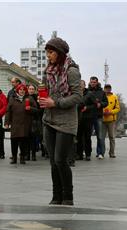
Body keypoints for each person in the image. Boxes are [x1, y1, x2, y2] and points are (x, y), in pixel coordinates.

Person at [39, 37, 82, 206]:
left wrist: (55, 102)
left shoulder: (71, 71)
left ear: (60, 53)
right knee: (52, 161)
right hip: (49, 119)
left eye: (51, 52)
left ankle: (68, 197)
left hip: (66, 122)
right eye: (47, 53)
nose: (48, 56)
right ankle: (56, 196)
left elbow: (78, 96)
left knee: (60, 160)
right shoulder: (48, 71)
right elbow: (46, 90)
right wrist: (41, 97)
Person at [5, 83, 37, 164]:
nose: (22, 91)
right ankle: (14, 158)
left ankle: (22, 157)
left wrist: (30, 108)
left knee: (23, 142)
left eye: (23, 90)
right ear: (17, 90)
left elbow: (36, 109)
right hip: (15, 124)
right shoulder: (12, 98)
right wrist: (6, 122)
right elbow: (8, 111)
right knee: (14, 141)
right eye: (20, 89)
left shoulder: (29, 98)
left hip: (25, 124)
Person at [88, 77, 108, 159]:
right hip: (88, 116)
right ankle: (87, 152)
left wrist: (101, 104)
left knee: (99, 136)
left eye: (94, 82)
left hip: (98, 116)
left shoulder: (102, 92)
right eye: (91, 82)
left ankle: (100, 153)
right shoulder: (87, 91)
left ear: (97, 82)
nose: (92, 83)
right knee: (87, 136)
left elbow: (106, 102)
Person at [101, 84, 120, 158]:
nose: (107, 89)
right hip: (102, 120)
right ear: (104, 89)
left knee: (111, 137)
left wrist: (111, 112)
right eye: (106, 88)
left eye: (109, 88)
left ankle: (112, 153)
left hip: (111, 120)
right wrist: (103, 112)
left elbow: (118, 108)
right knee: (101, 137)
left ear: (111, 89)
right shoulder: (101, 96)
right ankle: (101, 153)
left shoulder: (114, 97)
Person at [28, 84, 42, 161]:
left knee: (33, 138)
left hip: (35, 120)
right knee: (26, 138)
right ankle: (27, 154)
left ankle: (33, 155)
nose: (31, 90)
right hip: (26, 120)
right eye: (30, 89)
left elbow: (40, 110)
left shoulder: (37, 98)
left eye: (32, 89)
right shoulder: (25, 97)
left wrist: (31, 109)